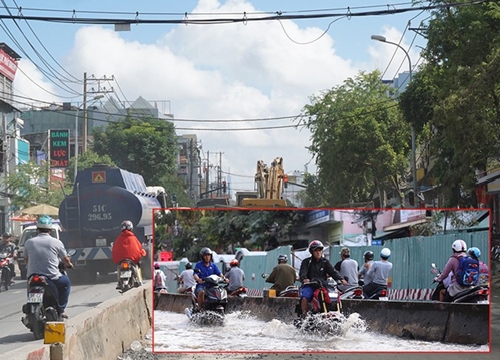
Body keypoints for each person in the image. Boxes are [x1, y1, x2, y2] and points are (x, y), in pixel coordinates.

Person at [24, 216, 73, 318]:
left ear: (37, 229)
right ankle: (61, 309)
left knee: (29, 288)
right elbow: (65, 260)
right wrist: (69, 264)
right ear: (50, 230)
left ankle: (29, 311)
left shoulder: (29, 242)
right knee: (66, 283)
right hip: (51, 277)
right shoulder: (56, 242)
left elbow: (26, 260)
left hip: (32, 276)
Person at [298, 240, 347, 317]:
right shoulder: (306, 262)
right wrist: (304, 279)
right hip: (310, 285)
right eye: (316, 250)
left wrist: (341, 279)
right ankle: (304, 316)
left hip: (323, 286)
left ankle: (339, 314)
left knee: (335, 296)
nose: (318, 252)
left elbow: (332, 271)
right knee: (305, 297)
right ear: (311, 252)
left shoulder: (325, 262)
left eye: (320, 250)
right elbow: (303, 272)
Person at [111, 220, 146, 289]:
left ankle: (118, 283)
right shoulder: (133, 238)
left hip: (121, 260)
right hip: (132, 260)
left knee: (118, 267)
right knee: (136, 266)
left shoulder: (119, 238)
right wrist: (142, 253)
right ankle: (139, 281)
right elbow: (139, 248)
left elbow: (114, 249)